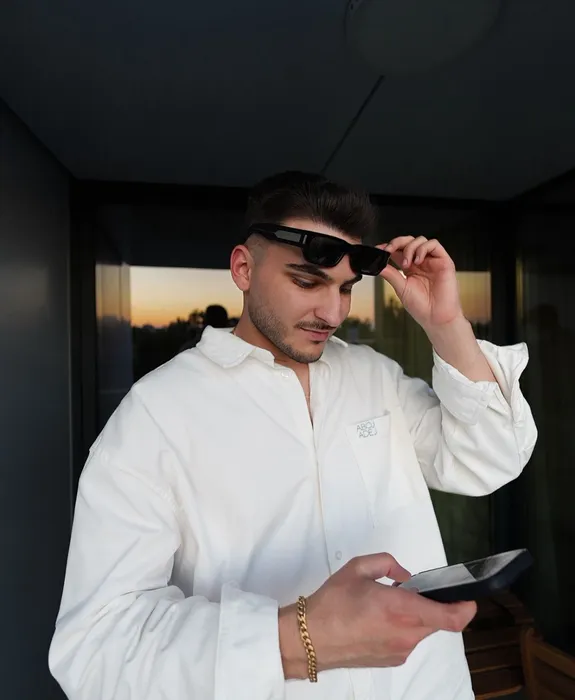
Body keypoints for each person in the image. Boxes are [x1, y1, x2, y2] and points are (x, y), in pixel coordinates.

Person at [49, 171, 537, 700]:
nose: (333, 312)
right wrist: (299, 638)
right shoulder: (157, 413)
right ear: (243, 268)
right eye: (307, 282)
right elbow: (96, 649)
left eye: (346, 288)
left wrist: (446, 325)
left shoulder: (373, 376)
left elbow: (491, 458)